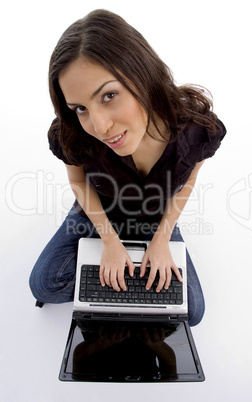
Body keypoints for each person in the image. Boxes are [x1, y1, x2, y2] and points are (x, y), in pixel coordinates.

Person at [29, 9, 226, 326]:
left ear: (142, 73)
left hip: (154, 214)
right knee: (44, 285)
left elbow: (188, 180)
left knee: (192, 312)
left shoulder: (197, 128)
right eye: (80, 108)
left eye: (108, 95)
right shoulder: (75, 132)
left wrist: (161, 241)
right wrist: (109, 241)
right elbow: (80, 183)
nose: (99, 126)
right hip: (98, 207)